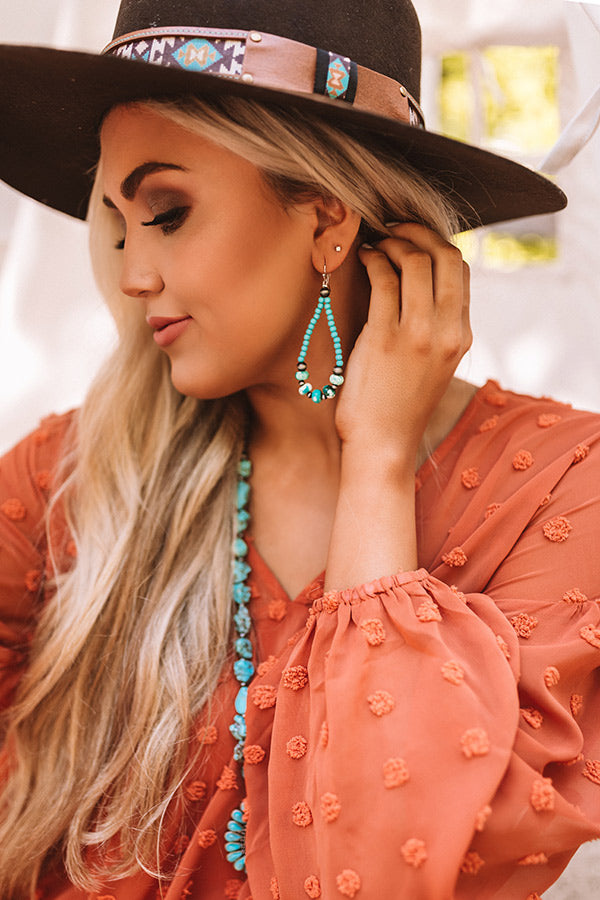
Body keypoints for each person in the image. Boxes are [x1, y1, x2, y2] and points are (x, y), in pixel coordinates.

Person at [0, 1, 599, 898]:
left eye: (168, 213)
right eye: (120, 223)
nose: (131, 275)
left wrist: (377, 460)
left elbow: (384, 871)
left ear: (326, 219)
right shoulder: (71, 479)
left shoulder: (561, 487)